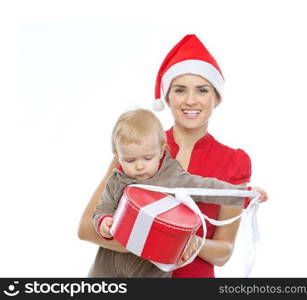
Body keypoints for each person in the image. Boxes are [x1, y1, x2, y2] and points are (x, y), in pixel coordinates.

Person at [78, 34, 264, 277]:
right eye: (180, 90)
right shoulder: (137, 151)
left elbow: (223, 252)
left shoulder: (233, 162)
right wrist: (156, 244)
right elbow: (87, 229)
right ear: (167, 97)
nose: (190, 100)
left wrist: (194, 244)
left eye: (202, 90)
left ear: (216, 97)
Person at [88, 109, 267, 277]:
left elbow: (206, 188)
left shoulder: (172, 176)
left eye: (147, 158)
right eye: (130, 160)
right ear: (117, 156)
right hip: (109, 261)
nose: (139, 166)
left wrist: (243, 195)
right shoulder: (117, 179)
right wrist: (103, 222)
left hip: (151, 266)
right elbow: (102, 209)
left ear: (161, 151)